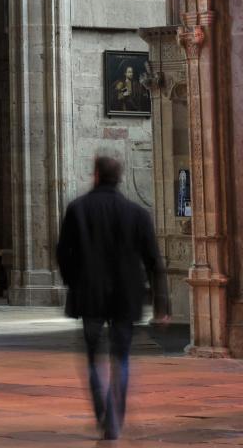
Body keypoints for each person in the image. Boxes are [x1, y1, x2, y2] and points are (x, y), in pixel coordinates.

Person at [56, 156, 169, 441]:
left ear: (95, 175)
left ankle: (101, 412)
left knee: (94, 358)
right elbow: (154, 261)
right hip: (125, 296)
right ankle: (114, 416)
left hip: (90, 295)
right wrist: (161, 305)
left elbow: (62, 253)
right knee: (121, 358)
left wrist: (74, 282)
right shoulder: (137, 214)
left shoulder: (78, 209)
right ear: (119, 178)